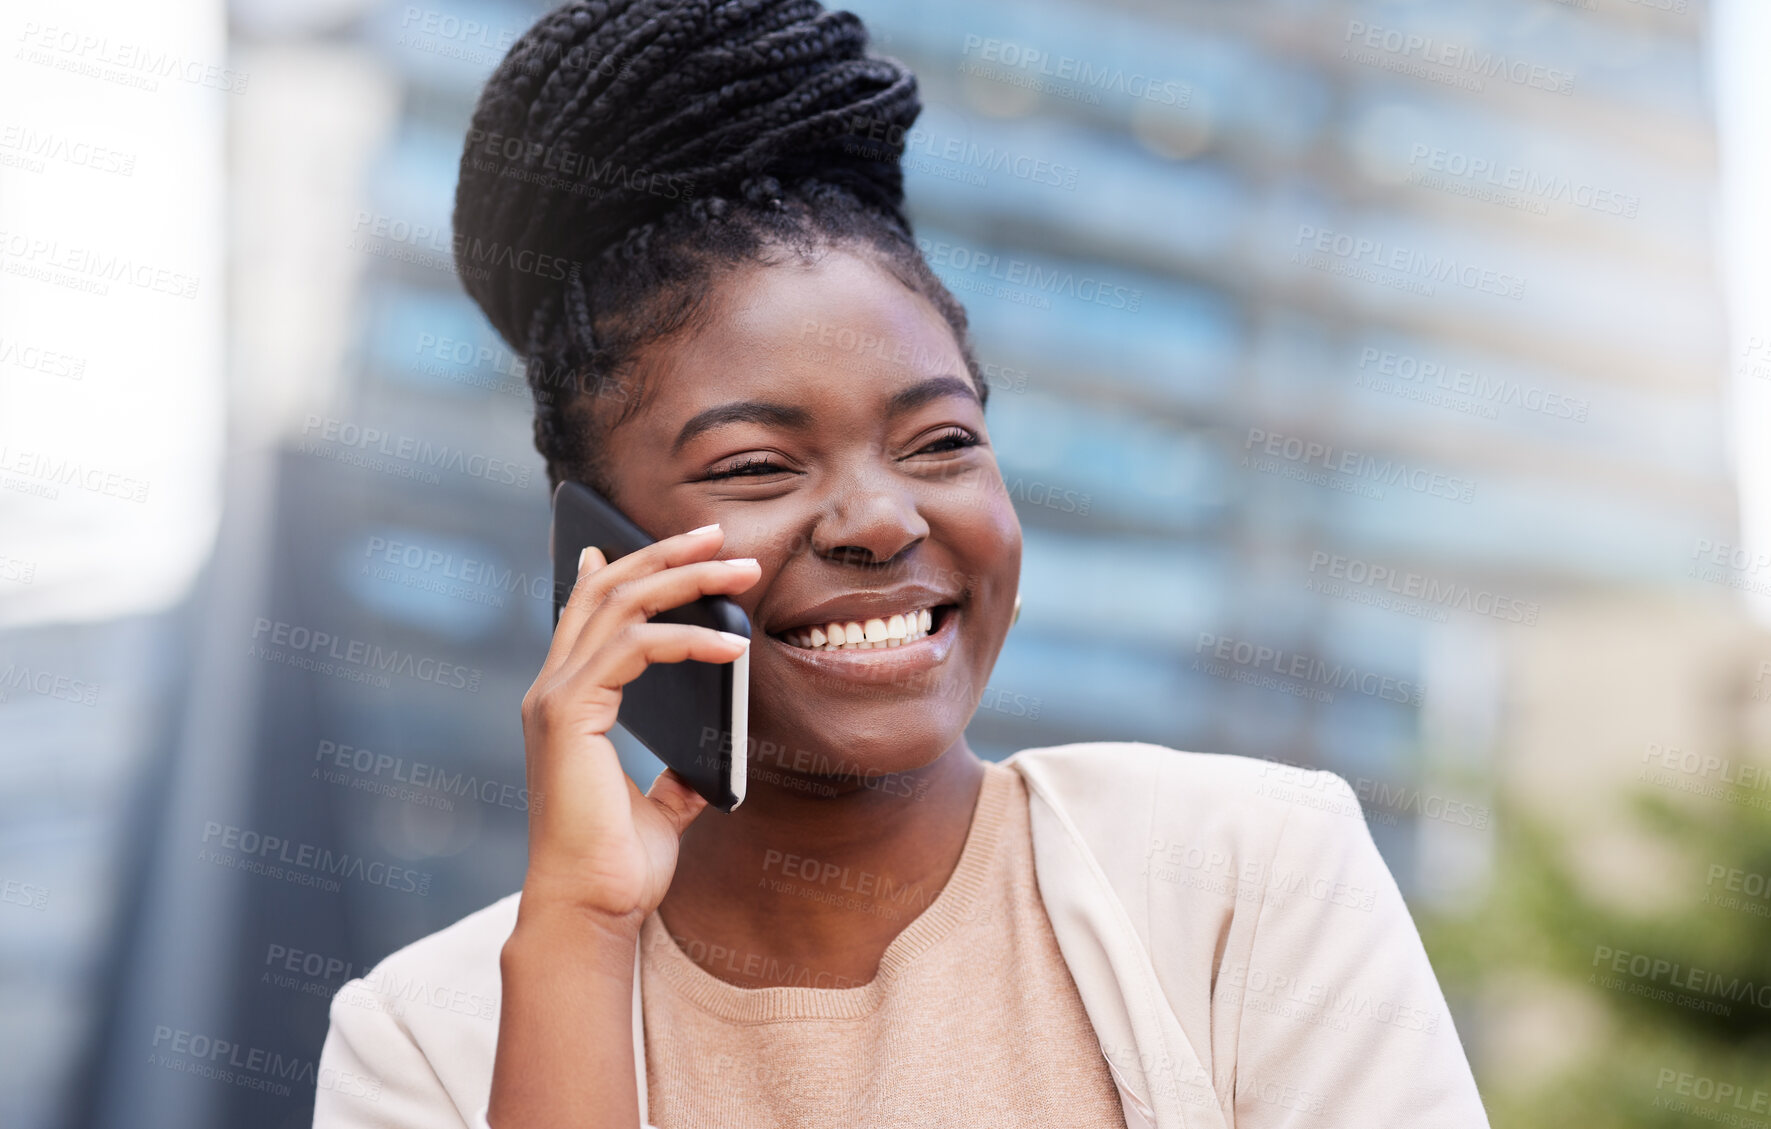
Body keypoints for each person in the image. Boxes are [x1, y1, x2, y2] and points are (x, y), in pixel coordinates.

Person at [314, 2, 1491, 1126]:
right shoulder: (424, 1037)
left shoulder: (1243, 874)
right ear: (596, 549)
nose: (878, 519)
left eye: (941, 443)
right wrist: (578, 932)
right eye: (758, 466)